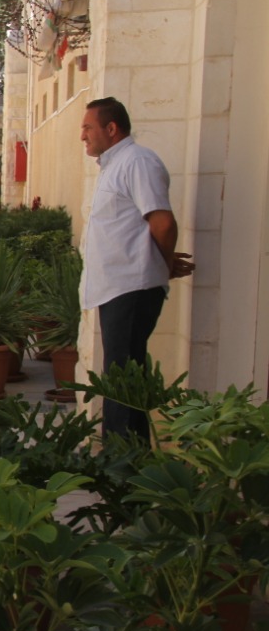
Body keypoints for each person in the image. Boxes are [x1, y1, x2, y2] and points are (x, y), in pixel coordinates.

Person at [80, 96, 194, 443]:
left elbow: (163, 223)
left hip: (130, 287)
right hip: (117, 287)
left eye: (88, 128)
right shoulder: (116, 164)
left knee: (122, 379)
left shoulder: (137, 161)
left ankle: (123, 461)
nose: (83, 136)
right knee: (124, 375)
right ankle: (129, 457)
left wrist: (163, 262)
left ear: (111, 128)